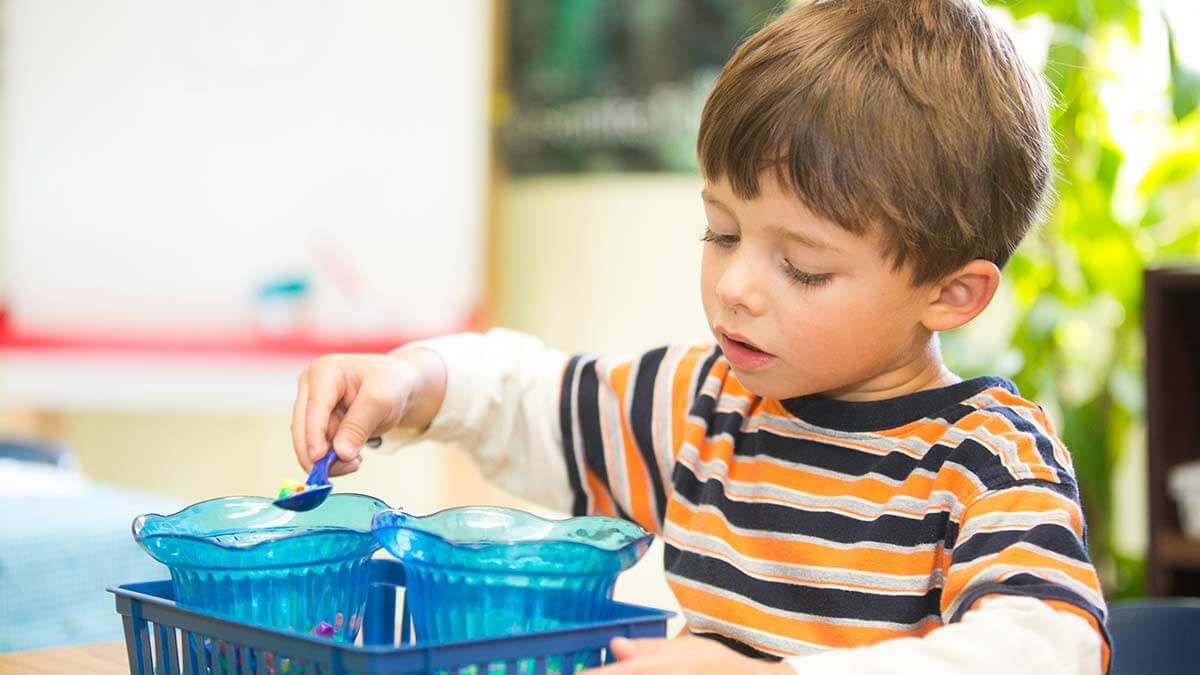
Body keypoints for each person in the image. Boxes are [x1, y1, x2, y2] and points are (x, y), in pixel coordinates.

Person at [291, 1, 1109, 672]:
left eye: (803, 266)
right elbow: (533, 401)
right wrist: (412, 382)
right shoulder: (704, 404)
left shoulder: (990, 461)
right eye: (721, 233)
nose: (737, 286)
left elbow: (1044, 649)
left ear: (950, 293)